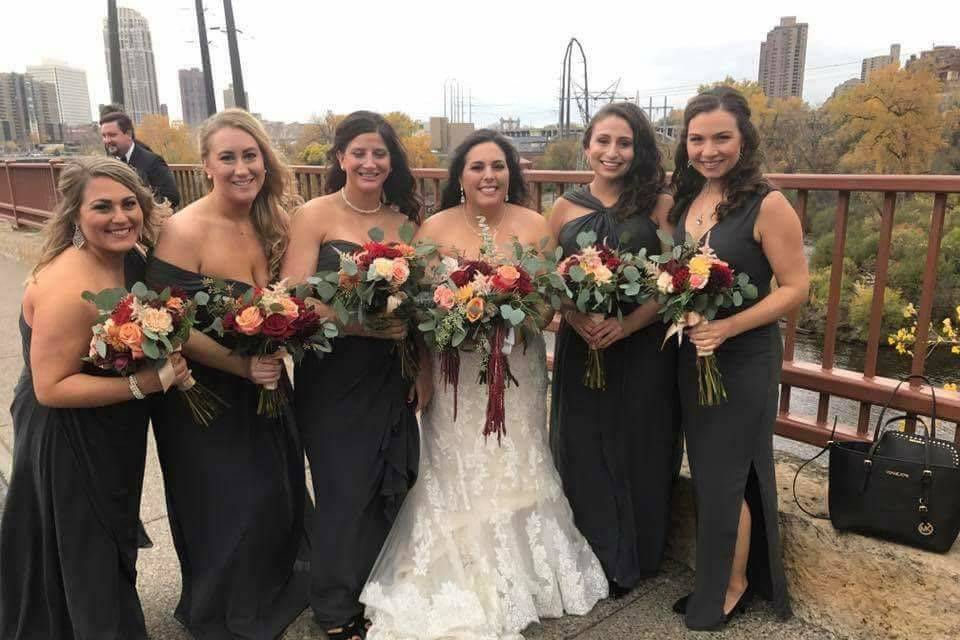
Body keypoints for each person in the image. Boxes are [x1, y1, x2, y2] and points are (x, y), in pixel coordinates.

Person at [360, 130, 608, 640]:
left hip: (517, 371)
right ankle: (463, 569)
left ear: (511, 174)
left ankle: (523, 573)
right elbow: (421, 308)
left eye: (498, 166)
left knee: (519, 458)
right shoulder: (433, 227)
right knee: (455, 466)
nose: (488, 176)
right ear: (461, 178)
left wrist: (505, 317)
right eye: (477, 167)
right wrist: (427, 371)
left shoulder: (535, 225)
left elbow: (546, 305)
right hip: (455, 377)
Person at [0, 157, 190, 638]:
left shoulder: (132, 260)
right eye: (102, 206)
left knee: (107, 533)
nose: (120, 217)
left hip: (111, 424)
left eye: (130, 204)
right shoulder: (67, 285)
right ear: (75, 215)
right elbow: (51, 388)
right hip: (65, 432)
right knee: (83, 543)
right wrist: (144, 384)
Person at [144, 109, 309, 638]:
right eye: (228, 158)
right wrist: (241, 364)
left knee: (272, 491)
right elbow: (169, 323)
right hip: (204, 394)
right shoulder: (184, 229)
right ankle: (226, 606)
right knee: (224, 500)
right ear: (207, 165)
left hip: (264, 384)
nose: (242, 168)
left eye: (251, 155)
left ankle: (272, 585)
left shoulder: (272, 221)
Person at [280, 110, 425, 640]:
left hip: (391, 369)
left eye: (379, 153)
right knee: (343, 486)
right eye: (358, 152)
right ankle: (336, 606)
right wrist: (360, 323)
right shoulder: (312, 215)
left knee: (391, 478)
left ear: (392, 161)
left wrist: (419, 367)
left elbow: (418, 307)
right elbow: (294, 297)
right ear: (340, 158)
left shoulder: (406, 222)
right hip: (333, 370)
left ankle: (379, 590)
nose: (369, 161)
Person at [668, 87, 808, 630]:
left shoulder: (767, 203)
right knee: (708, 472)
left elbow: (796, 287)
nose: (708, 149)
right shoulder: (689, 199)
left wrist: (728, 325)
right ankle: (721, 577)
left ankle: (731, 585)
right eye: (697, 138)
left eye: (721, 137)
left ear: (744, 138)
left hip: (742, 355)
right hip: (694, 353)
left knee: (724, 475)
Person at [548, 102, 680, 598]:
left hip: (641, 345)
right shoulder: (564, 206)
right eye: (603, 141)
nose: (612, 152)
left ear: (638, 149)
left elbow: (672, 282)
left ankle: (637, 556)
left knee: (639, 442)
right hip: (583, 343)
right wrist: (576, 315)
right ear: (587, 147)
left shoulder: (659, 203)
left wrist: (626, 325)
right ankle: (591, 552)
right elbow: (547, 278)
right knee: (580, 445)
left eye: (624, 142)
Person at [100, 110, 181, 209]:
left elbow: (172, 198)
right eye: (104, 136)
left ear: (129, 134)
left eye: (112, 135)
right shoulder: (107, 164)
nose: (107, 140)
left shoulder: (153, 161)